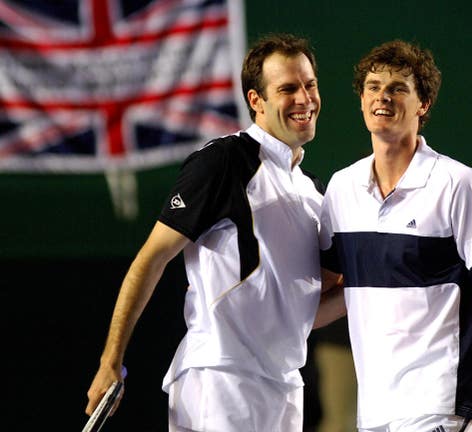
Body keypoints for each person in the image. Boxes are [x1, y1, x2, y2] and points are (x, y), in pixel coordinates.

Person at [85, 33, 325, 432]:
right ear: (256, 101)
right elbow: (151, 259)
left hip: (284, 388)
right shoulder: (224, 161)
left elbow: (301, 312)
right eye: (287, 89)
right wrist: (110, 361)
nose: (304, 98)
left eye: (310, 85)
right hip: (220, 378)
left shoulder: (314, 191)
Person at [315, 40, 472, 432]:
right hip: (375, 413)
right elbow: (331, 290)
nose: (382, 97)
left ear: (423, 104)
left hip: (443, 410)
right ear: (360, 99)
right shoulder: (341, 189)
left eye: (398, 88)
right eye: (373, 87)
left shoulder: (461, 186)